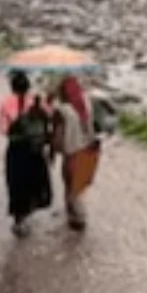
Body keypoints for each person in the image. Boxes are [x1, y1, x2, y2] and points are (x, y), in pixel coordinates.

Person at [0, 70, 53, 237]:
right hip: (34, 150)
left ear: (12, 87)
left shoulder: (6, 104)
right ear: (28, 87)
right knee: (34, 182)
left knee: (16, 183)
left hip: (16, 150)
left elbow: (2, 129)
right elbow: (49, 119)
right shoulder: (38, 103)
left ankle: (18, 219)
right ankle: (28, 211)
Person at [51, 74, 101, 230]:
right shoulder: (87, 102)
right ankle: (75, 215)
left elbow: (58, 139)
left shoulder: (62, 111)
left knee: (70, 187)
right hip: (89, 151)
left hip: (72, 155)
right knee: (79, 188)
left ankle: (77, 218)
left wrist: (52, 149)